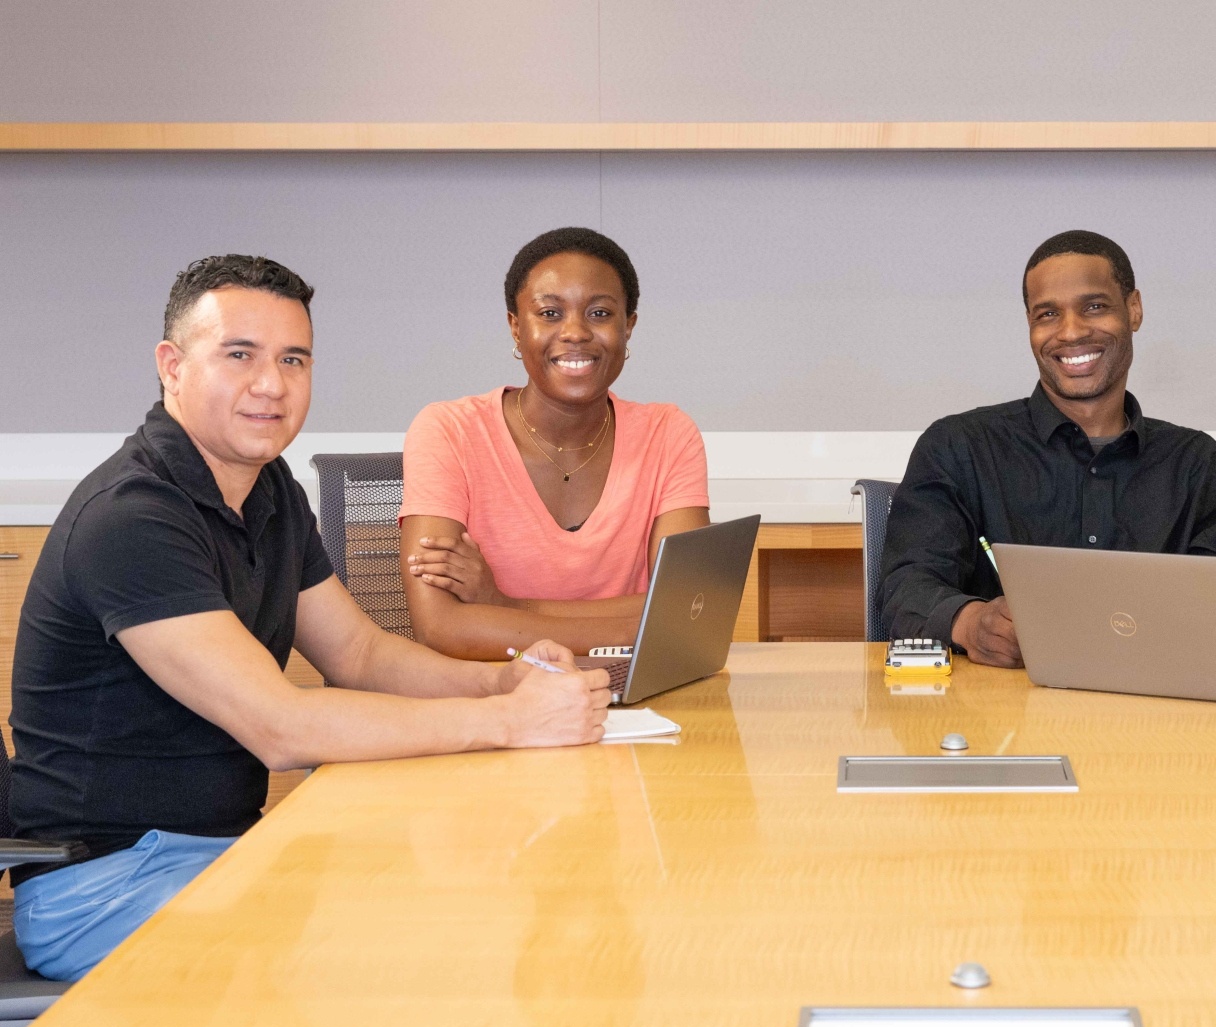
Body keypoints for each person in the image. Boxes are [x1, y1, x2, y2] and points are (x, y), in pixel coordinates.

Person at [5, 255, 612, 982]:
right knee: (384, 950)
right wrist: (514, 726)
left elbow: (360, 653)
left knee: (424, 912)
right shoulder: (132, 519)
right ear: (171, 366)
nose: (272, 384)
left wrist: (504, 687)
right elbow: (280, 729)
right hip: (105, 884)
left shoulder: (269, 491)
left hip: (222, 851)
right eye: (240, 356)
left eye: (294, 359)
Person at [879, 230, 1216, 667]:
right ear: (1029, 325)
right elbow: (905, 587)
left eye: (1094, 307)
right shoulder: (957, 448)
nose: (1071, 332)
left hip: (1156, 718)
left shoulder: (1198, 465)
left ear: (1134, 309)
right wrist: (970, 622)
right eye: (1047, 314)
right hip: (1000, 717)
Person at [400, 227, 711, 660]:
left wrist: (502, 605)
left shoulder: (669, 434)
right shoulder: (447, 430)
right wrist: (637, 625)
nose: (575, 332)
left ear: (629, 327)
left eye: (600, 313)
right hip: (490, 704)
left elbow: (686, 615)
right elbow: (439, 627)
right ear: (515, 327)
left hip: (638, 703)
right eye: (549, 313)